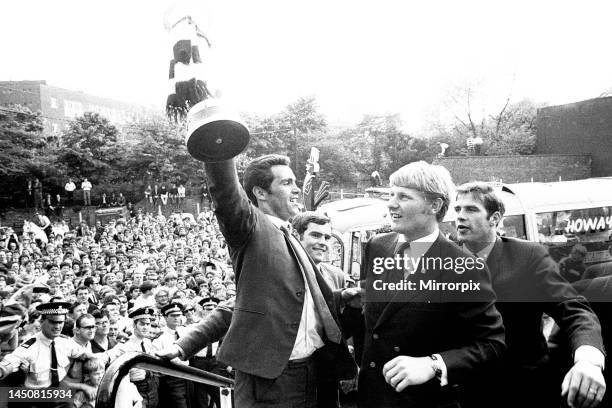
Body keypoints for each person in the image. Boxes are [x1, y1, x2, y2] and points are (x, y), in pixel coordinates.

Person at [157, 154, 357, 408]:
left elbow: (277, 302)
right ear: (260, 193)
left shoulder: (289, 236)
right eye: (286, 183)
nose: (296, 189)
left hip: (310, 372)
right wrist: (218, 142)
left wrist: (342, 297)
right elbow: (226, 194)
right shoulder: (251, 226)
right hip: (270, 379)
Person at [359, 162, 505, 408]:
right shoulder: (377, 246)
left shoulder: (464, 266)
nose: (391, 203)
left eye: (403, 196)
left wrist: (434, 364)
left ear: (434, 206)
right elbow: (379, 324)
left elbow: (491, 343)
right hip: (372, 397)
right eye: (391, 194)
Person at [454, 182, 606, 408]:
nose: (460, 217)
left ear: (494, 218)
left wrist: (589, 360)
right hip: (460, 393)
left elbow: (573, 309)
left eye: (471, 209)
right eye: (457, 210)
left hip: (522, 390)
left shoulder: (527, 256)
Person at [291, 211, 348, 408]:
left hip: (327, 370)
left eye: (327, 237)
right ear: (297, 237)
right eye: (315, 235)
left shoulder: (336, 276)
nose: (323, 242)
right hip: (292, 370)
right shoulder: (281, 272)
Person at [0, 302, 90, 406]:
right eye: (53, 322)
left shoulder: (65, 342)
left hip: (59, 395)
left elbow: (88, 357)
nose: (57, 326)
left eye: (61, 322)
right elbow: (11, 361)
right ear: (42, 321)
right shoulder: (30, 345)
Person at [152, 303, 189, 408]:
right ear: (165, 317)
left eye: (178, 315)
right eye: (173, 315)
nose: (176, 318)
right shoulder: (160, 336)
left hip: (188, 375)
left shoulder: (185, 332)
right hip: (172, 377)